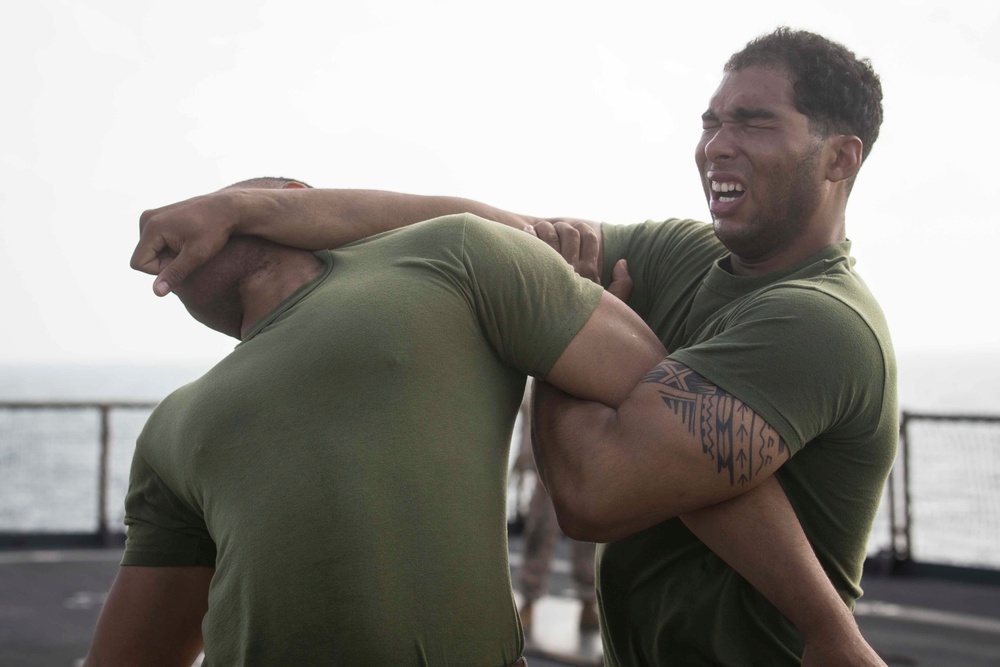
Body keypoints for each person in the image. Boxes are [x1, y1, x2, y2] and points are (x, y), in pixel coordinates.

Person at [125, 27, 892, 666]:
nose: (714, 146)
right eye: (709, 121)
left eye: (753, 123)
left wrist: (560, 321)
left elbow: (594, 489)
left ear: (839, 158)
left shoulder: (816, 322)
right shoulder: (682, 255)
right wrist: (233, 208)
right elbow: (498, 231)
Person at [85, 177, 667, 666]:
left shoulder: (452, 252)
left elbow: (660, 418)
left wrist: (558, 355)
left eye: (226, 200)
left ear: (298, 199)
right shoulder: (171, 421)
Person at [511, 390, 599, 636]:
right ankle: (529, 600)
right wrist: (526, 459)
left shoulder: (590, 379)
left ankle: (587, 602)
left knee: (589, 536)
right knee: (538, 532)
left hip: (583, 467)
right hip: (546, 469)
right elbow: (529, 422)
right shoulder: (539, 385)